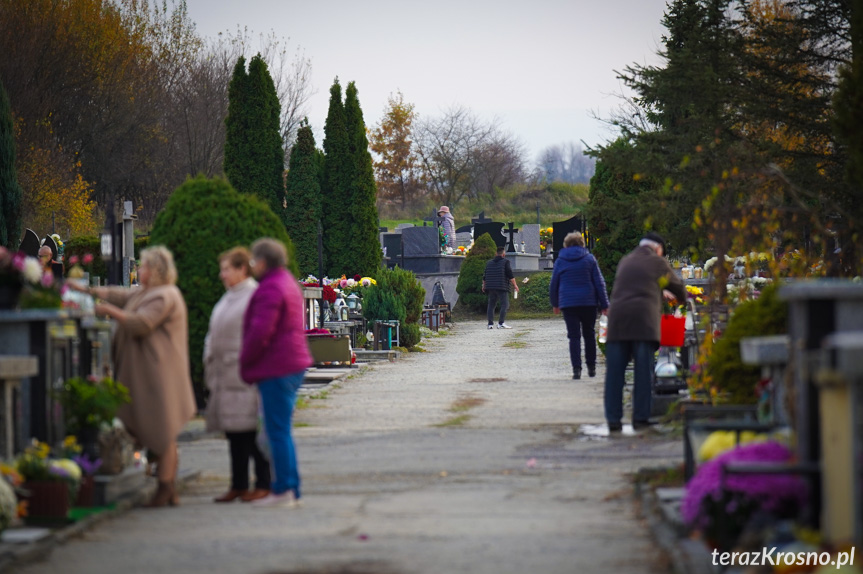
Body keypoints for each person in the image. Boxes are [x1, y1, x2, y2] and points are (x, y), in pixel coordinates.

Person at [68, 246, 196, 506]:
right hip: (146, 374)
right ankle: (166, 486)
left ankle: (165, 487)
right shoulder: (146, 292)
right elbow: (118, 294)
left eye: (144, 266)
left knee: (163, 431)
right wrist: (87, 291)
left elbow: (141, 324)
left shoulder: (165, 295)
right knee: (150, 427)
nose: (140, 269)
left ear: (157, 270)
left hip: (160, 375)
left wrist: (108, 311)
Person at [240, 238, 313, 508]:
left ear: (261, 261)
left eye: (252, 261)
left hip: (278, 365)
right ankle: (289, 487)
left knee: (276, 431)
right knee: (281, 430)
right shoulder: (286, 281)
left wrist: (245, 361)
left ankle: (283, 489)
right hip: (291, 363)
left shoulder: (270, 287)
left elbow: (261, 331)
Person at [204, 247, 271, 503]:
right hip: (225, 374)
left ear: (242, 269)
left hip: (245, 375)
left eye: (226, 269)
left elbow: (258, 334)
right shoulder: (229, 296)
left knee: (251, 431)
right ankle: (238, 483)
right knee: (234, 431)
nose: (222, 275)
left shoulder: (253, 295)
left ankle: (264, 482)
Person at [604, 232, 686, 432]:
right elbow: (678, 289)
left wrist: (659, 289)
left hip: (617, 321)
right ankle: (640, 418)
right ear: (658, 249)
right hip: (643, 322)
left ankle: (614, 420)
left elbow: (639, 283)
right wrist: (679, 299)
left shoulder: (626, 260)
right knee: (643, 372)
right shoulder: (657, 262)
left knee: (615, 373)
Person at [549, 231, 609, 380]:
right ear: (582, 244)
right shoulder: (589, 259)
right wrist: (604, 304)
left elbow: (554, 284)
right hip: (588, 302)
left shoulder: (560, 261)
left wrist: (555, 303)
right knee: (589, 334)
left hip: (568, 303)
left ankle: (576, 368)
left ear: (566, 245)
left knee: (574, 336)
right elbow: (599, 283)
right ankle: (591, 366)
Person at [482, 246, 519, 329]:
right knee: (504, 305)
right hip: (501, 286)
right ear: (503, 254)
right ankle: (501, 323)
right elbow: (510, 275)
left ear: (496, 253)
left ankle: (490, 324)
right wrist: (515, 285)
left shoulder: (489, 263)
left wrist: (484, 286)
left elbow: (484, 276)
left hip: (491, 287)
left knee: (491, 305)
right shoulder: (505, 262)